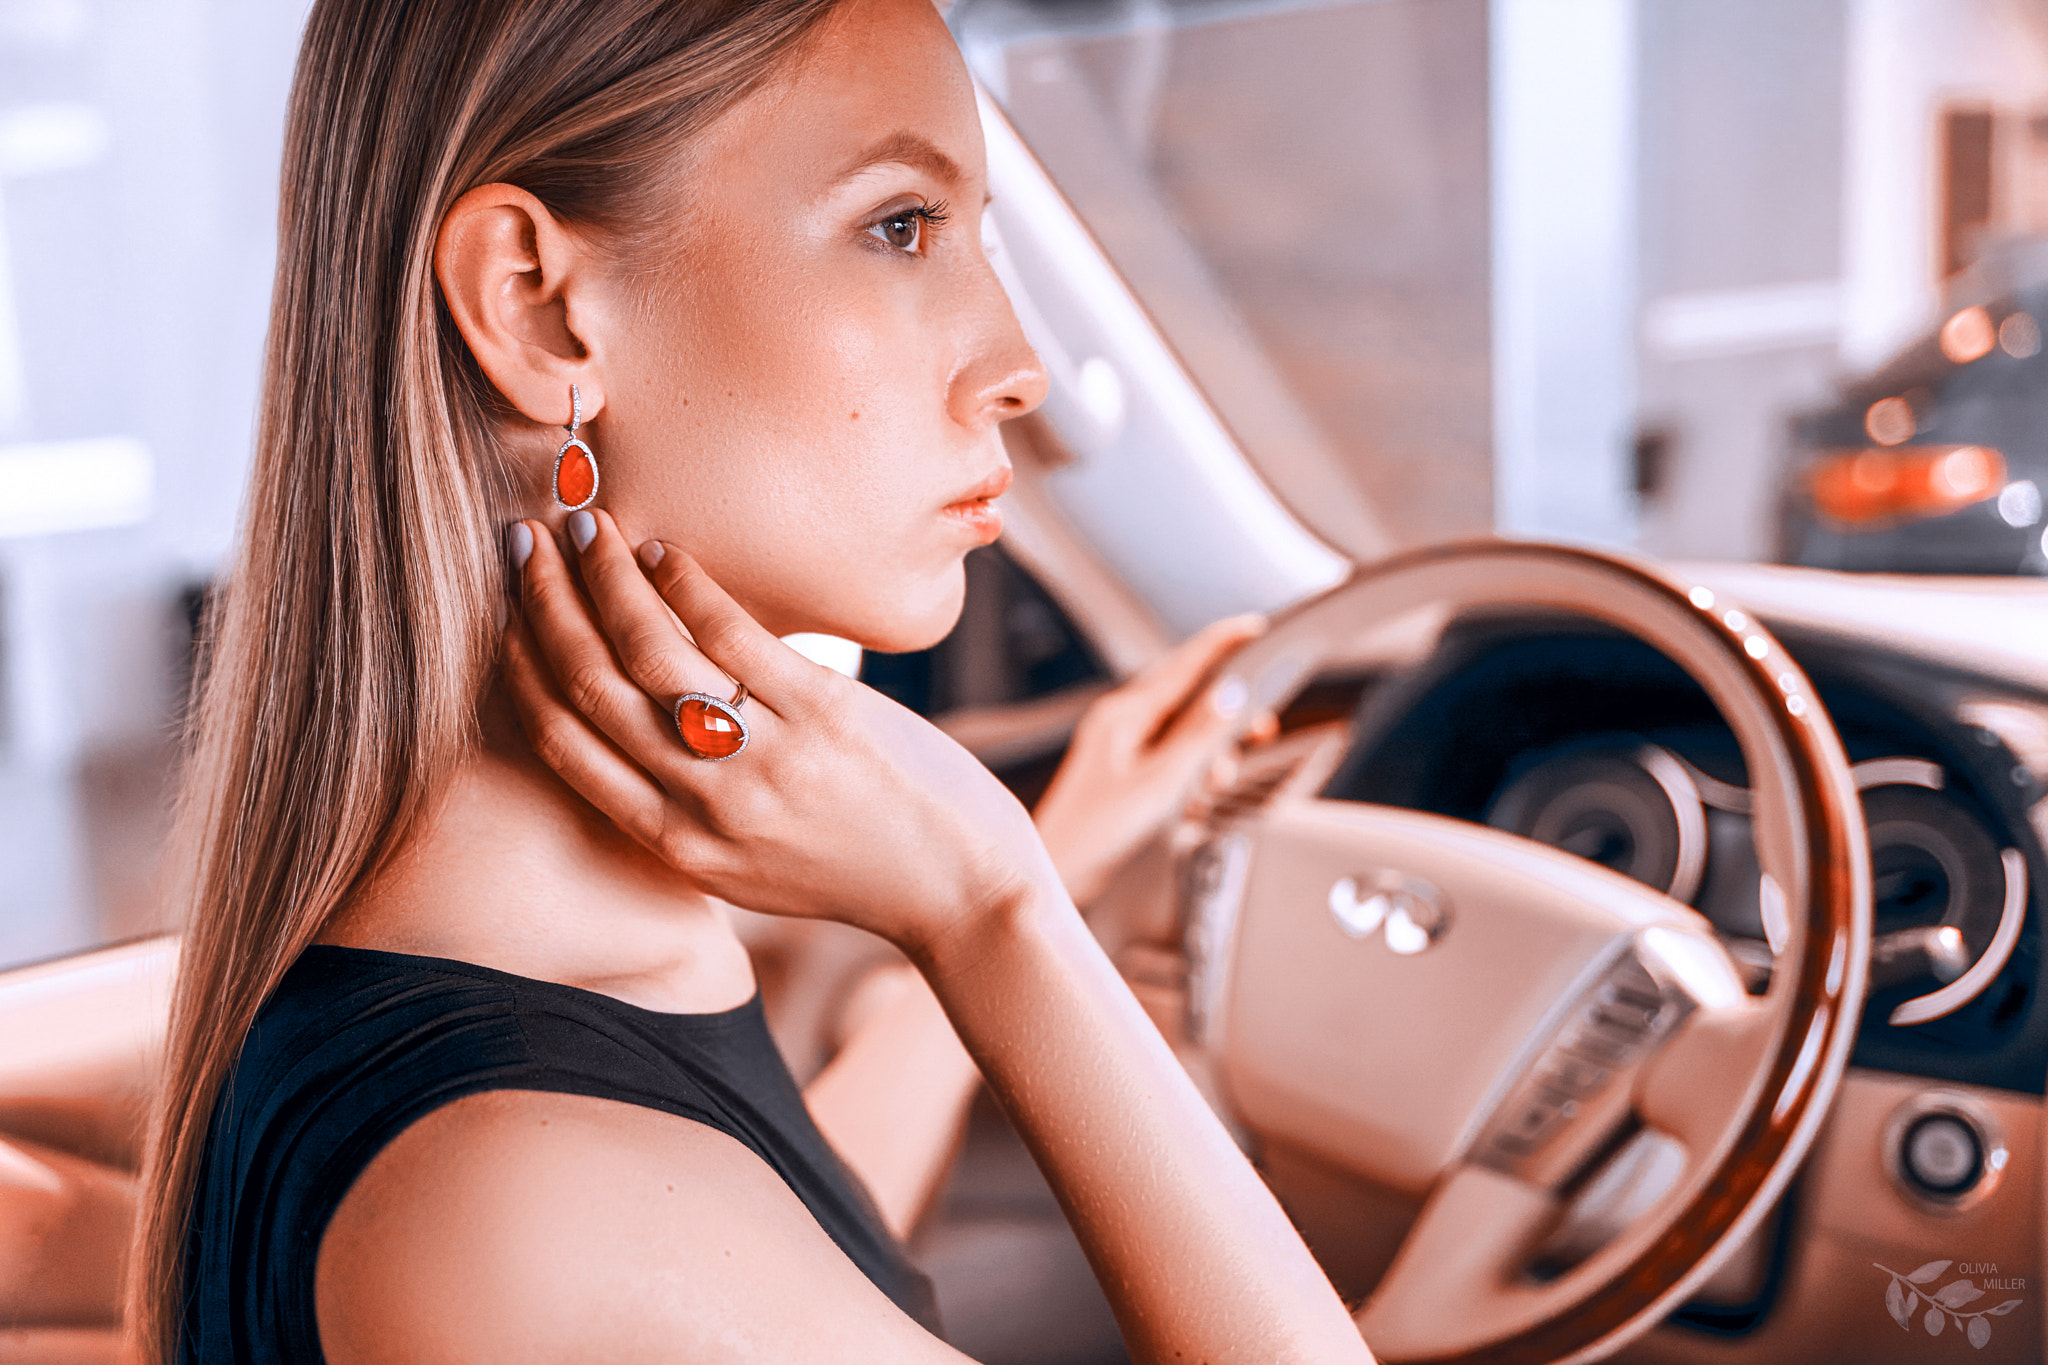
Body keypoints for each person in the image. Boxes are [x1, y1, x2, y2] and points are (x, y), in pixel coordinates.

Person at [133, 0, 1378, 1361]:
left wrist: (1047, 858)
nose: (1017, 368)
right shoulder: (524, 1206)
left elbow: (781, 1257)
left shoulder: (514, 983)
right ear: (539, 310)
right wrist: (996, 910)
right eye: (901, 225)